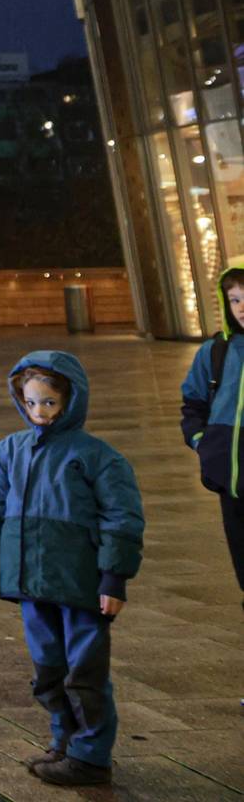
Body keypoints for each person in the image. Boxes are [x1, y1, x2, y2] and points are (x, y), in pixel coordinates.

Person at [0, 351, 144, 786]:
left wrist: (113, 578)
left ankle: (90, 756)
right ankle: (64, 743)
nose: (39, 412)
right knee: (48, 669)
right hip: (31, 581)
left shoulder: (97, 457)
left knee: (84, 672)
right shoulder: (10, 450)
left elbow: (122, 519)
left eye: (48, 402)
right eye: (31, 403)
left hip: (80, 583)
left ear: (70, 400)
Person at [180, 261, 244, 619]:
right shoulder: (215, 351)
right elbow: (193, 403)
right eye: (234, 299)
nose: (241, 308)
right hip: (229, 479)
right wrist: (203, 442)